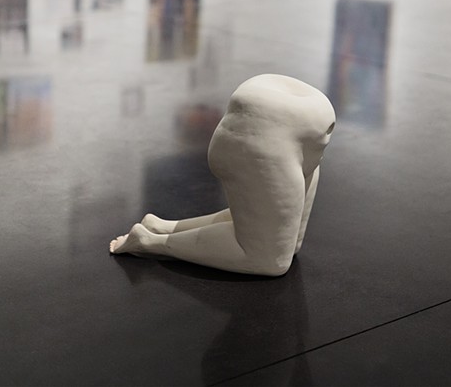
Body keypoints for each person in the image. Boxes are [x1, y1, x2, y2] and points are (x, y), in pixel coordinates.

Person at [109, 74, 336, 276]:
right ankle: (150, 241)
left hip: (304, 130)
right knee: (267, 260)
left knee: (285, 241)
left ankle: (161, 227)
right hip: (262, 135)